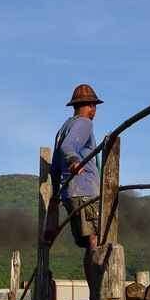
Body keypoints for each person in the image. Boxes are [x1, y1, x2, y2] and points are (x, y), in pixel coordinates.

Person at [44, 84, 102, 286]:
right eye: (94, 105)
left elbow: (54, 168)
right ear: (91, 106)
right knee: (96, 240)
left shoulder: (63, 128)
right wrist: (74, 161)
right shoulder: (84, 123)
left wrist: (56, 194)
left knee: (90, 243)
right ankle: (97, 291)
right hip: (85, 189)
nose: (94, 110)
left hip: (70, 192)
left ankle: (93, 290)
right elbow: (69, 149)